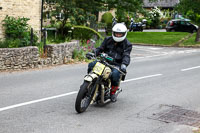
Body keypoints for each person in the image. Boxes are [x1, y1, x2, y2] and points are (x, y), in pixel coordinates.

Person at [87, 23, 132, 102]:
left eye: (120, 34)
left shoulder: (127, 44)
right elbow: (100, 48)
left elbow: (126, 55)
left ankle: (112, 92)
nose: (118, 35)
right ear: (113, 33)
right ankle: (89, 84)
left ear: (124, 34)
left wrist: (124, 64)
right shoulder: (108, 39)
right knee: (91, 65)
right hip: (104, 61)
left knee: (115, 74)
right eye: (116, 34)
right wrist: (94, 53)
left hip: (116, 64)